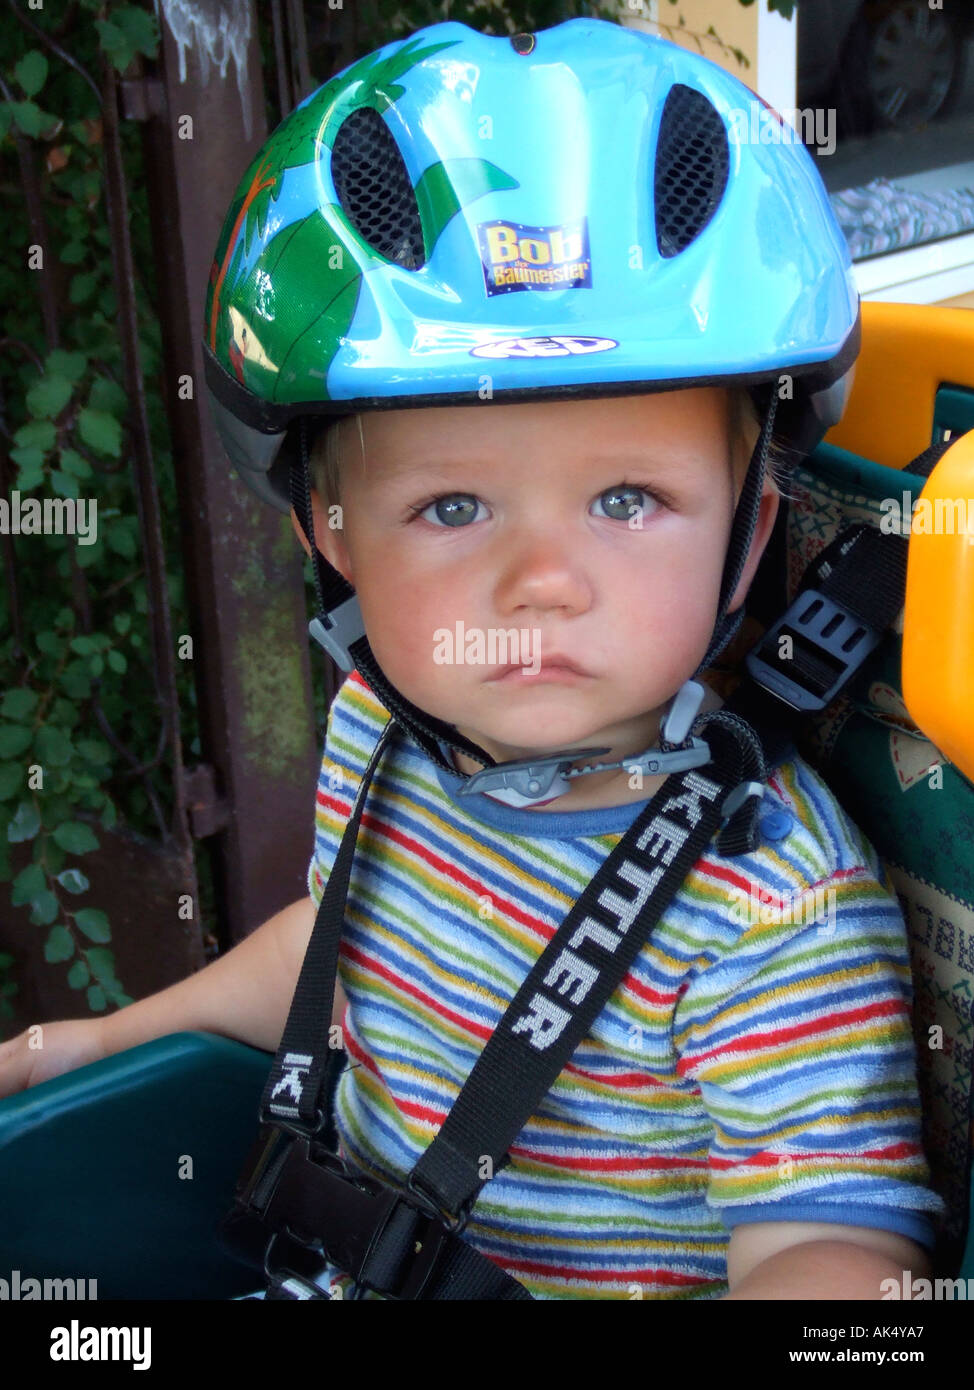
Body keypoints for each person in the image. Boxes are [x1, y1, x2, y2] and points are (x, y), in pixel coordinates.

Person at [0, 18, 946, 1299]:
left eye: (624, 499)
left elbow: (830, 1246)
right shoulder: (376, 731)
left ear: (749, 527)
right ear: (325, 529)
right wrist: (103, 1043)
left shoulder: (769, 908)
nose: (541, 580)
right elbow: (341, 958)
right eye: (451, 508)